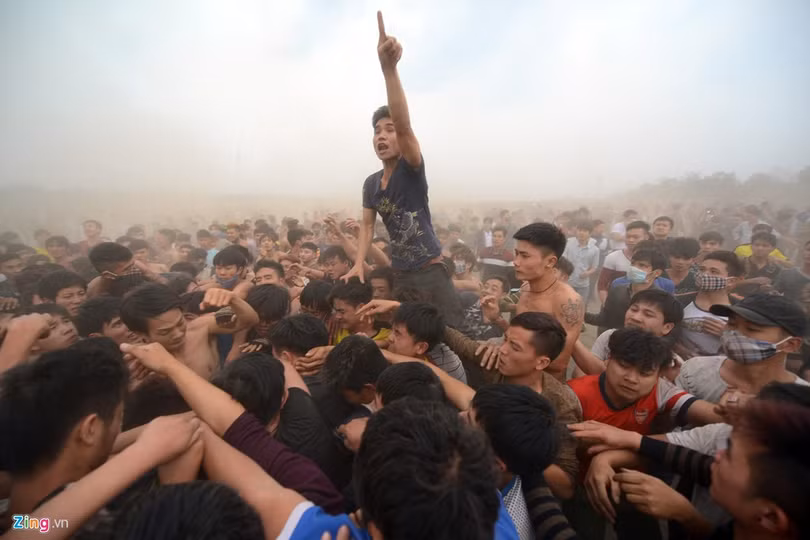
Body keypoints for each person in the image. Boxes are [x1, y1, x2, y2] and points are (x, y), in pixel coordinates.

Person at [343, 14, 464, 332]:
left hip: (431, 269)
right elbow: (367, 227)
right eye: (377, 131)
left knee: (449, 332)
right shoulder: (371, 184)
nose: (382, 136)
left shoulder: (411, 169)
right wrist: (358, 262)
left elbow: (406, 125)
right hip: (402, 272)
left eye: (389, 130)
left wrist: (389, 70)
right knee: (408, 333)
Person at [0, 339, 128, 519]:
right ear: (90, 429)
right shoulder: (101, 527)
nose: (118, 429)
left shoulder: (17, 522)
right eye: (119, 417)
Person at [479, 223, 584, 381]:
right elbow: (524, 340)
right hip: (512, 377)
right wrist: (497, 320)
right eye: (516, 254)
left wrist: (504, 348)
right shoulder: (526, 287)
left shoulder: (567, 301)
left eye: (524, 256)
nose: (516, 261)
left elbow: (559, 363)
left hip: (543, 387)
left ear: (550, 262)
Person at [568, 327, 720, 435]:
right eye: (624, 366)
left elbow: (715, 416)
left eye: (645, 373)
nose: (632, 379)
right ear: (608, 359)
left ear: (658, 375)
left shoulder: (661, 391)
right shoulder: (573, 394)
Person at [676, 293, 809, 404]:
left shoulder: (802, 400)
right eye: (732, 323)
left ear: (790, 344)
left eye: (751, 329)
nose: (734, 333)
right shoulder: (694, 371)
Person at [119, 283, 259, 378]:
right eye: (165, 332)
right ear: (141, 334)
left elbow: (248, 320)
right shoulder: (140, 362)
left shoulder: (200, 326)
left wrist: (233, 299)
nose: (178, 334)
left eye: (180, 323)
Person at [573, 289, 684, 379]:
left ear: (667, 327)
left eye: (648, 314)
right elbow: (581, 373)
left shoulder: (672, 365)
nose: (635, 318)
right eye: (634, 309)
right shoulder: (609, 337)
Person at [587, 248, 669, 334]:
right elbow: (605, 319)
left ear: (656, 273)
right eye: (633, 264)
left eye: (642, 265)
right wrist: (582, 315)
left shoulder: (661, 299)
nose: (634, 268)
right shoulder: (617, 290)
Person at [678, 250, 744, 358]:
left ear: (731, 281)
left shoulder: (743, 310)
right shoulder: (678, 302)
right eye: (702, 269)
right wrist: (679, 349)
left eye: (714, 272)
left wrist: (730, 336)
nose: (704, 275)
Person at [386, 301, 467, 382]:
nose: (390, 338)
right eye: (392, 329)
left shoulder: (423, 381)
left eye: (397, 333)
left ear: (421, 347)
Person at [87, 242, 166, 298]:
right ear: (108, 275)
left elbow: (166, 287)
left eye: (133, 264)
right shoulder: (95, 288)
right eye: (127, 268)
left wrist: (148, 273)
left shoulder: (138, 268)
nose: (133, 269)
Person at [597, 220, 650, 303]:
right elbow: (602, 286)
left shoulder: (652, 258)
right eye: (628, 237)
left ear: (646, 237)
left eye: (636, 237)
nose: (631, 240)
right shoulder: (613, 257)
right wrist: (606, 305)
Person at [329, 278, 391, 345]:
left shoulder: (389, 337)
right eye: (335, 311)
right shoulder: (336, 330)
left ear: (362, 308)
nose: (337, 316)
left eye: (342, 311)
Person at [562, 220, 600, 305]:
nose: (581, 233)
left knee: (581, 306)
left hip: (583, 284)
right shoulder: (568, 243)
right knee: (565, 305)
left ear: (590, 233)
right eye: (579, 230)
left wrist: (588, 273)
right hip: (568, 282)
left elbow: (594, 267)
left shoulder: (595, 249)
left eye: (585, 231)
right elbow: (563, 260)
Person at [735, 231, 783, 296]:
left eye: (765, 246)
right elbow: (727, 284)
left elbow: (779, 289)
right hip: (737, 300)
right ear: (751, 246)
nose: (760, 248)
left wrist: (770, 288)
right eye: (757, 245)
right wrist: (752, 281)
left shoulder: (776, 269)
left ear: (772, 248)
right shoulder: (739, 263)